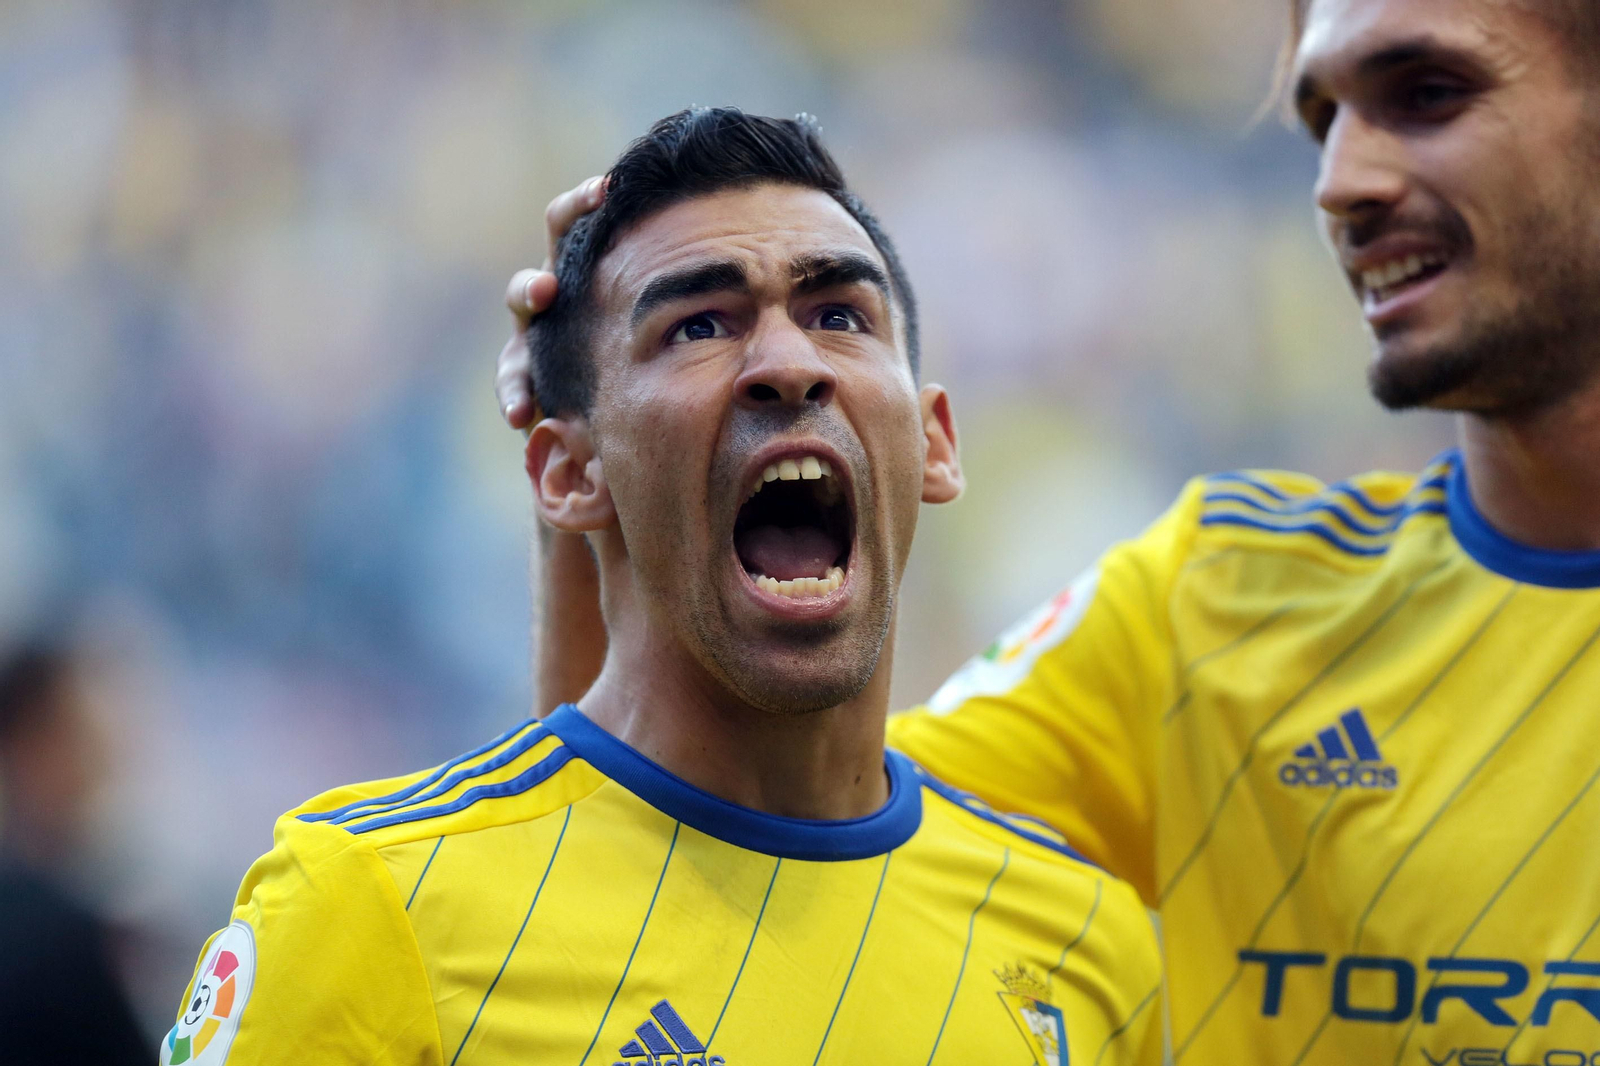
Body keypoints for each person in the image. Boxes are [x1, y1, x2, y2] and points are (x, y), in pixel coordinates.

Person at [495, 1, 1600, 1062]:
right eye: (1324, 122)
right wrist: (605, 451)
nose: (1341, 182)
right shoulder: (1220, 603)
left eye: (1429, 93)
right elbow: (665, 846)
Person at [160, 109, 1162, 1066]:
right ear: (567, 473)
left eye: (838, 314)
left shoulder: (1084, 941)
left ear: (935, 442)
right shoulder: (366, 905)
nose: (787, 362)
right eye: (698, 326)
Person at [0, 639, 150, 1065]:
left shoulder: (73, 912)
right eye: (81, 728)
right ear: (31, 744)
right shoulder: (57, 934)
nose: (104, 752)